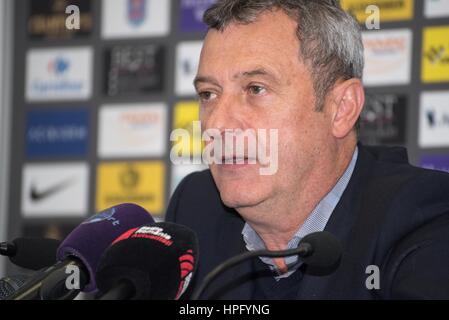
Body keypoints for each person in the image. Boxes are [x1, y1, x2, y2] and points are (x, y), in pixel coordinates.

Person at [166, 0, 449, 299]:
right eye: (208, 94)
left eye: (255, 89)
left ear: (342, 108)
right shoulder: (196, 208)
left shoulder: (426, 216)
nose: (218, 124)